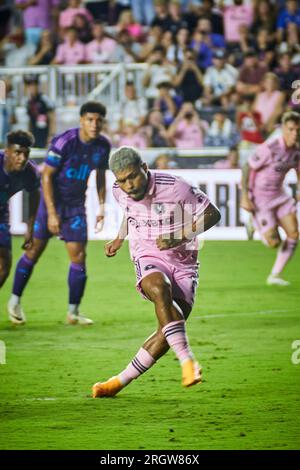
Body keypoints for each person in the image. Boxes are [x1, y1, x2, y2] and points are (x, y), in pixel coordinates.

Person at [92, 146, 220, 397]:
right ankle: (188, 360)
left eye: (132, 177)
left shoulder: (176, 187)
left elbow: (212, 213)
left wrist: (180, 236)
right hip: (147, 254)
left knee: (168, 328)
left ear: (144, 169)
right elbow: (131, 214)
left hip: (184, 262)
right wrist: (119, 238)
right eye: (121, 180)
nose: (127, 185)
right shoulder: (118, 191)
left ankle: (118, 382)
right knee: (159, 289)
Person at [7, 102, 111, 325]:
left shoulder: (103, 146)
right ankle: (14, 301)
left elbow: (101, 175)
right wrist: (52, 214)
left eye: (99, 120)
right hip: (51, 203)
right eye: (90, 119)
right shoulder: (65, 141)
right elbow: (46, 177)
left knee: (79, 257)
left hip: (75, 207)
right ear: (81, 120)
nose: (95, 124)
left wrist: (102, 206)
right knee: (34, 252)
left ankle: (73, 312)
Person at [240, 111, 300, 286]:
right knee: (274, 243)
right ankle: (252, 221)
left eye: (298, 129)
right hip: (260, 199)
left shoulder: (296, 151)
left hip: (280, 196)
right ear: (283, 130)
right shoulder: (270, 147)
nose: (295, 133)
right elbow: (246, 167)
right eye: (291, 129)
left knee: (294, 234)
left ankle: (275, 275)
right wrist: (245, 195)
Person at [0, 131, 40, 296]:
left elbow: (35, 194)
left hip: (1, 213)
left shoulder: (29, 172)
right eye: (17, 152)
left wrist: (30, 229)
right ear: (7, 151)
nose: (22, 158)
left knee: (4, 265)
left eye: (26, 153)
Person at [25, 76, 55, 148]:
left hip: (44, 133)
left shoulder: (44, 99)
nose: (32, 88)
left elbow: (52, 117)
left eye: (34, 85)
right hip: (34, 134)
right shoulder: (29, 102)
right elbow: (30, 120)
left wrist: (51, 135)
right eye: (30, 86)